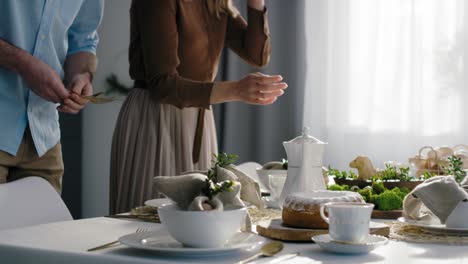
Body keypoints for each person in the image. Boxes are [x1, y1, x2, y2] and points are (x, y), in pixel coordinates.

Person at [110, 0, 287, 214]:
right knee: (149, 218)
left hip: (199, 119)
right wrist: (236, 90)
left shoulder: (217, 3)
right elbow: (162, 85)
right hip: (157, 118)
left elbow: (257, 55)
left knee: (199, 220)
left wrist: (256, 4)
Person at [0, 1, 104, 193]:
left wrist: (82, 76)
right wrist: (22, 63)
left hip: (44, 138)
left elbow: (83, 40)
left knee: (48, 224)